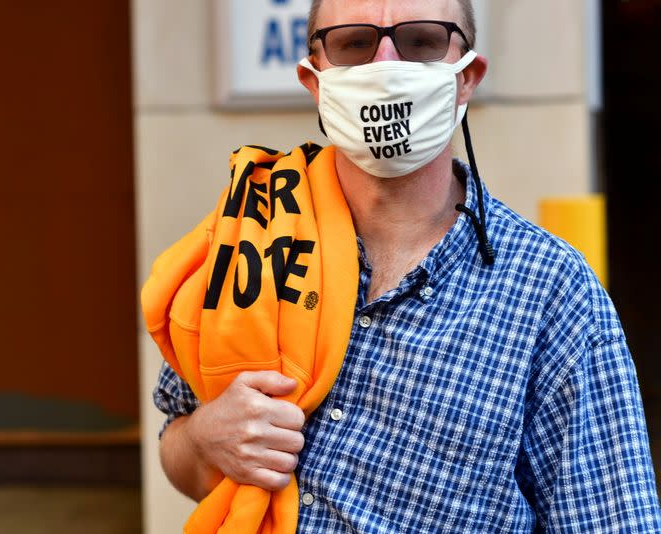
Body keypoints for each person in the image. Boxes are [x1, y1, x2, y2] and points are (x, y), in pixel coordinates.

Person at [151, 0, 661, 531]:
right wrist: (205, 439)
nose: (385, 66)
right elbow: (179, 449)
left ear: (468, 78)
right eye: (354, 44)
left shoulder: (551, 290)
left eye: (422, 41)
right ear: (314, 81)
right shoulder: (251, 238)